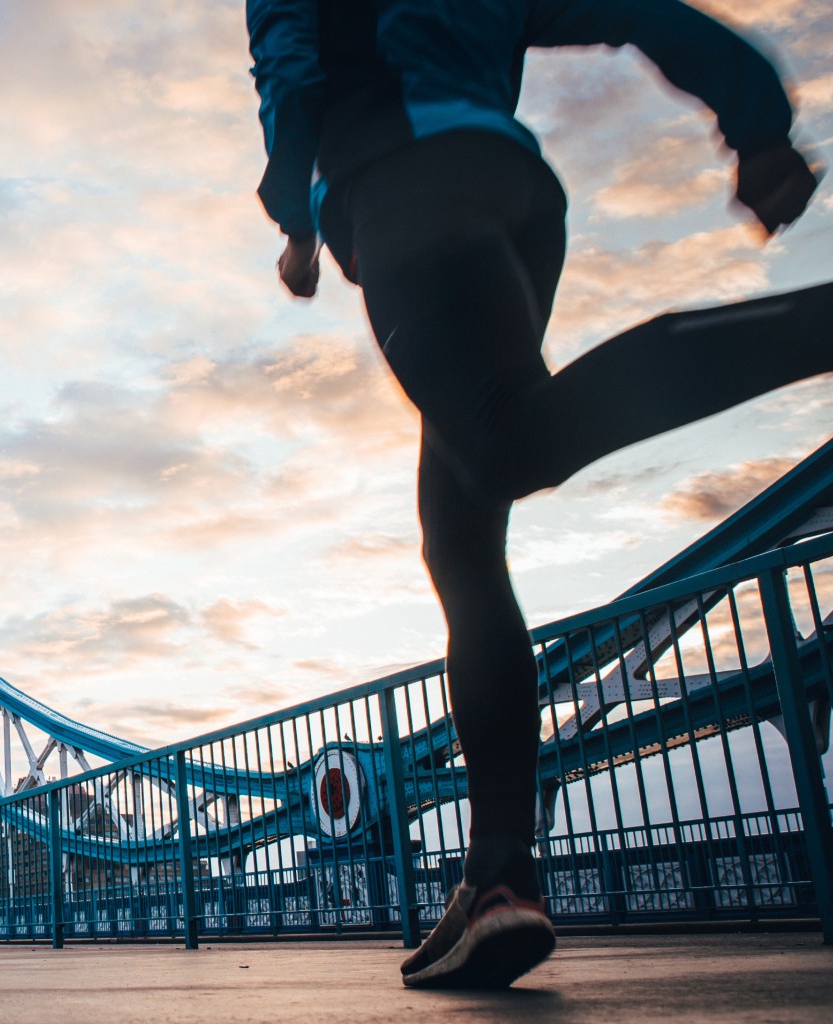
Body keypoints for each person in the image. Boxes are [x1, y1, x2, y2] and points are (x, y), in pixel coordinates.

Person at [247, 0, 826, 989]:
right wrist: (757, 126)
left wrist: (298, 224)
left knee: (512, 440)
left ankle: (816, 326)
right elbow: (632, 9)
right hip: (515, 196)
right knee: (459, 536)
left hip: (399, 190)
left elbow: (289, 69)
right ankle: (498, 879)